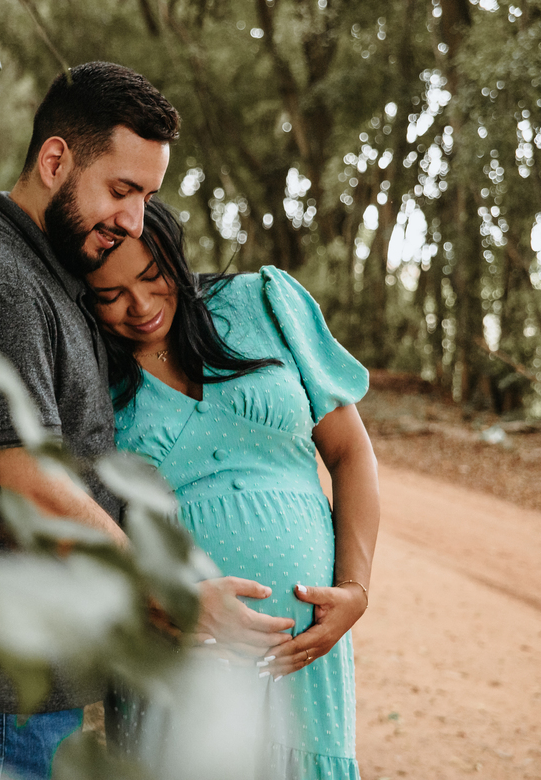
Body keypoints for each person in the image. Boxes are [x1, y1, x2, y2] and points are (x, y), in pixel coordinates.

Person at [0, 62, 294, 780]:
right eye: (122, 190)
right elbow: (35, 488)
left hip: (31, 688)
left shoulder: (57, 280)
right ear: (55, 160)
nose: (135, 220)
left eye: (147, 196)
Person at [85, 199, 380, 779]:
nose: (140, 306)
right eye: (110, 295)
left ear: (175, 255)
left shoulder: (263, 303)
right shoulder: (89, 370)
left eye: (152, 277)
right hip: (179, 657)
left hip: (305, 664)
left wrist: (356, 589)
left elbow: (350, 453)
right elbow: (75, 525)